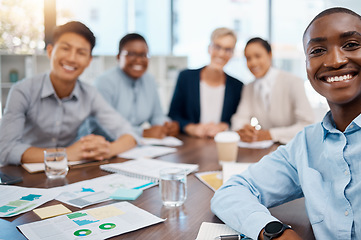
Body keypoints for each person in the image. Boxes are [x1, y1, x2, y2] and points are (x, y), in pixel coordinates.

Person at [211, 7, 361, 240]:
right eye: (318, 50)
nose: (335, 60)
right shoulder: (305, 147)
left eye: (350, 44)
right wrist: (275, 233)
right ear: (308, 68)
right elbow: (230, 191)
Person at [0, 21, 139, 165]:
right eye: (65, 48)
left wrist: (107, 150)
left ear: (89, 61)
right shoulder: (22, 91)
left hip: (68, 173)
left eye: (81, 52)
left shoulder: (90, 94)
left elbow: (129, 133)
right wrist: (65, 153)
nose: (72, 58)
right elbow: (6, 149)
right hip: (24, 174)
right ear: (50, 51)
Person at [93, 33, 179, 139]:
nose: (139, 60)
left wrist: (166, 125)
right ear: (119, 57)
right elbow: (102, 127)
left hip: (136, 147)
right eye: (132, 54)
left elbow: (157, 115)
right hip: (107, 145)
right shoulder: (104, 82)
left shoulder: (150, 80)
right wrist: (142, 133)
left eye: (143, 55)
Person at [232, 37, 315, 144]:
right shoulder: (249, 88)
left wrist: (270, 134)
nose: (253, 62)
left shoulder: (293, 82)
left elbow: (307, 125)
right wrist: (244, 129)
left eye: (258, 56)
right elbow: (239, 118)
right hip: (267, 150)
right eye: (248, 58)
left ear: (270, 55)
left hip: (295, 148)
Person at [168, 27, 243, 138]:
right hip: (190, 144)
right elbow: (173, 115)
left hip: (221, 145)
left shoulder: (237, 86)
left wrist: (224, 126)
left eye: (228, 50)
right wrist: (191, 128)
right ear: (209, 48)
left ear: (232, 54)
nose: (221, 54)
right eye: (217, 47)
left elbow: (238, 118)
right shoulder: (186, 77)